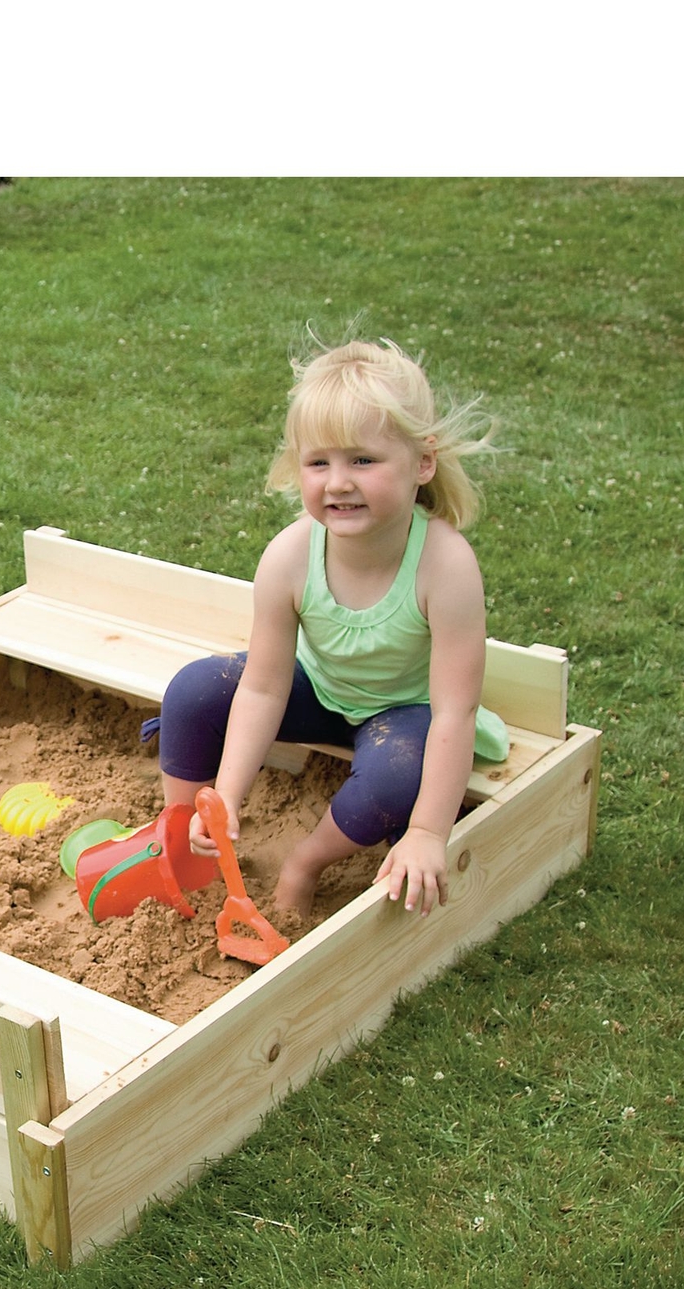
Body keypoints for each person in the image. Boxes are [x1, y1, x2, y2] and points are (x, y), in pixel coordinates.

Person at [154, 336, 508, 920]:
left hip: (407, 713)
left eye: (363, 460)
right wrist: (225, 798)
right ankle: (185, 835)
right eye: (319, 463)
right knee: (193, 691)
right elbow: (265, 687)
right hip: (320, 691)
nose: (338, 482)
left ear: (423, 462)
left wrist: (426, 832)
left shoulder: (445, 566)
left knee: (398, 781)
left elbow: (454, 713)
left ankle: (308, 862)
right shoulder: (291, 555)